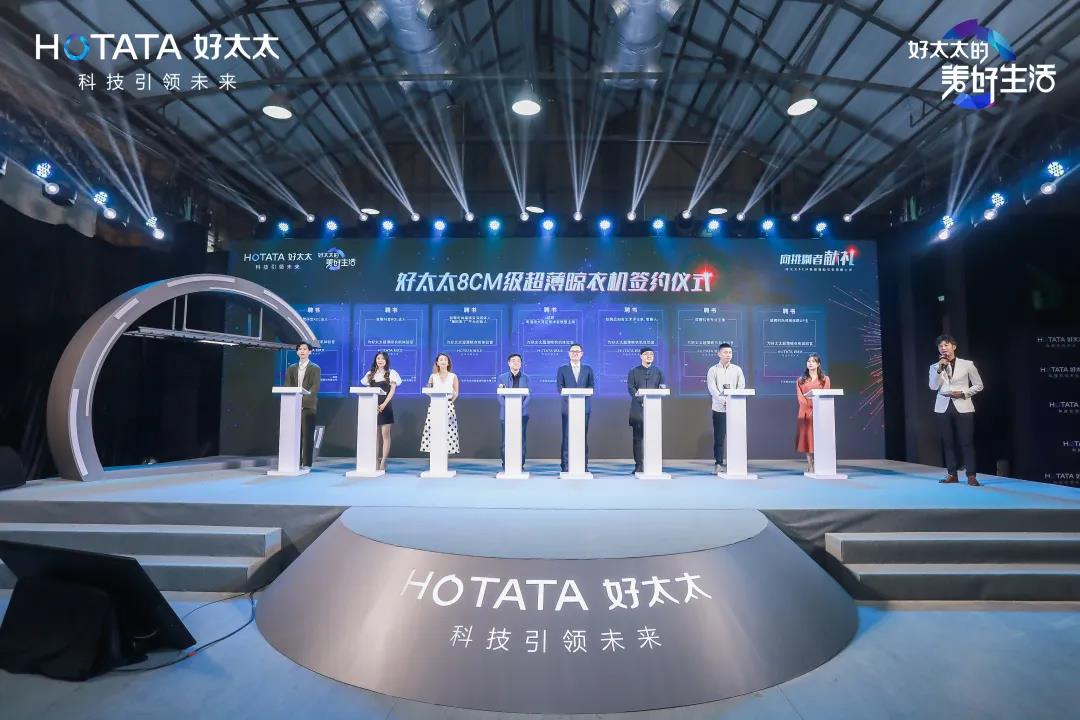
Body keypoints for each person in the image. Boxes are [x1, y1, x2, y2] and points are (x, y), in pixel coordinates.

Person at [929, 334, 984, 486]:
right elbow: (933, 386)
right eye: (940, 346)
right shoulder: (934, 367)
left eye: (946, 345)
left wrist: (963, 393)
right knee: (948, 442)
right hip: (943, 407)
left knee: (966, 441)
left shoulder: (967, 364)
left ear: (953, 346)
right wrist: (940, 368)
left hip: (963, 405)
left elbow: (979, 385)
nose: (943, 348)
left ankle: (971, 475)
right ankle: (952, 474)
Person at [706, 343, 746, 474]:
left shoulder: (737, 370)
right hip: (719, 409)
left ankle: (736, 463)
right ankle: (718, 464)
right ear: (719, 354)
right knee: (719, 438)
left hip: (735, 409)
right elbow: (712, 389)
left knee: (736, 437)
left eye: (730, 352)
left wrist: (732, 402)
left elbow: (741, 386)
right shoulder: (713, 370)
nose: (728, 355)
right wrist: (724, 401)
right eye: (725, 352)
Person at [556, 343, 595, 473]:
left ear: (582, 354)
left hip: (584, 408)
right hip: (568, 408)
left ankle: (583, 465)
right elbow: (560, 387)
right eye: (573, 351)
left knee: (582, 437)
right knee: (567, 436)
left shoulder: (588, 369)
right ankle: (565, 464)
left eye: (578, 351)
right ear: (569, 354)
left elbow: (591, 387)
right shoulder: (562, 369)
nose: (575, 353)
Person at [627, 347, 666, 474]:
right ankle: (639, 465)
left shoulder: (658, 372)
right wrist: (642, 400)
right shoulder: (633, 371)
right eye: (646, 354)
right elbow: (631, 388)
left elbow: (662, 388)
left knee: (654, 437)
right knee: (638, 438)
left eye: (651, 354)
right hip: (638, 409)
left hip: (653, 409)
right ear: (641, 356)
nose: (649, 356)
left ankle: (653, 463)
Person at [361, 351, 402, 472]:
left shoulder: (391, 373)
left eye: (383, 359)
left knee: (385, 435)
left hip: (385, 406)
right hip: (372, 407)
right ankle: (374, 460)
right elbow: (368, 390)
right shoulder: (370, 374)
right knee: (374, 436)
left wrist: (384, 404)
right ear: (375, 360)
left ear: (386, 361)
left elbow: (392, 391)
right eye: (378, 358)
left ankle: (383, 461)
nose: (380, 360)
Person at [284, 341, 320, 467]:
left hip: (308, 406)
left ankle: (307, 464)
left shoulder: (315, 368)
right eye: (300, 349)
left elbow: (315, 387)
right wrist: (293, 402)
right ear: (297, 352)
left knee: (307, 436)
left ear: (310, 352)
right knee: (294, 435)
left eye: (305, 349)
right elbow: (287, 385)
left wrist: (301, 402)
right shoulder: (291, 368)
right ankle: (295, 462)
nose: (302, 351)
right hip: (293, 405)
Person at [795, 353, 830, 474]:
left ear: (818, 364)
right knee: (808, 440)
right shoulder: (801, 380)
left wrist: (817, 409)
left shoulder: (825, 379)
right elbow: (800, 397)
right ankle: (810, 465)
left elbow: (826, 394)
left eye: (813, 361)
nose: (810, 363)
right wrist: (809, 409)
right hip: (805, 412)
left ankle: (820, 463)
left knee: (820, 438)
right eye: (808, 361)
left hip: (820, 412)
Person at [420, 352, 460, 456]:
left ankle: (444, 456)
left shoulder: (453, 376)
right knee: (434, 431)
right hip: (435, 407)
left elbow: (456, 393)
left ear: (448, 363)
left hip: (448, 407)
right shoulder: (433, 376)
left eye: (445, 360)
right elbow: (428, 391)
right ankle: (435, 454)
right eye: (441, 360)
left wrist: (449, 403)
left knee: (447, 431)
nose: (443, 361)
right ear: (437, 363)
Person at [496, 353, 530, 471]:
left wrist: (520, 408)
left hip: (522, 413)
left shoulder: (526, 377)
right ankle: (506, 463)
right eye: (513, 360)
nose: (516, 363)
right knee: (505, 440)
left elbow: (529, 395)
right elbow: (500, 396)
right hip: (506, 414)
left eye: (518, 361)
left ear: (521, 364)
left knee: (521, 439)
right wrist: (509, 408)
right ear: (509, 363)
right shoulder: (502, 377)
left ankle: (520, 463)